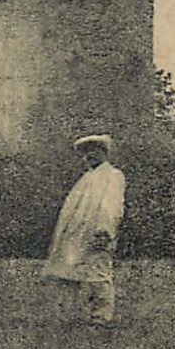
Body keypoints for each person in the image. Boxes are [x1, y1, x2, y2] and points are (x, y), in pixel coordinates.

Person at [42, 134, 126, 326]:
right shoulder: (86, 178)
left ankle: (101, 317)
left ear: (103, 152)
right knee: (68, 275)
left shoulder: (113, 176)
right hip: (76, 235)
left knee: (98, 275)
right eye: (86, 153)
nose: (89, 157)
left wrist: (104, 231)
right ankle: (67, 317)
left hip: (96, 234)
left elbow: (112, 205)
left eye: (93, 152)